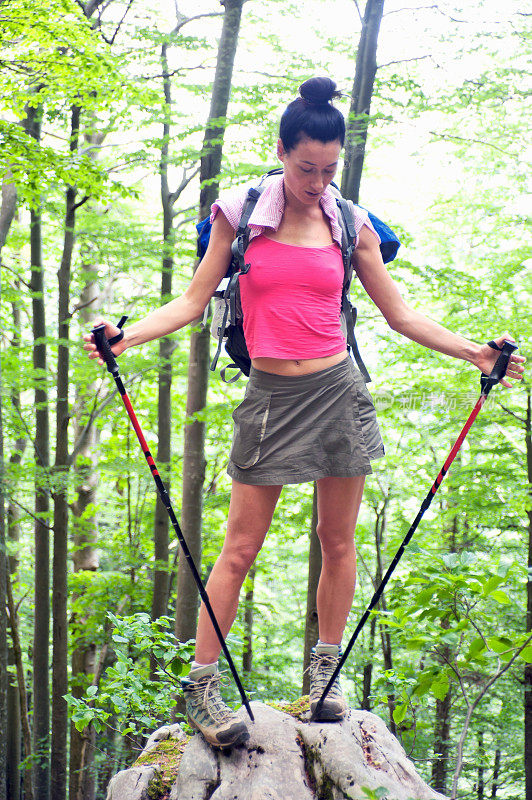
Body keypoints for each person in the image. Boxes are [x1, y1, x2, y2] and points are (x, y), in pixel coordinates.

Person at [84, 76, 525, 749]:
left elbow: (398, 313)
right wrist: (126, 336)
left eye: (328, 168)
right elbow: (193, 302)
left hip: (339, 392)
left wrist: (476, 354)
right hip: (270, 397)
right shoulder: (239, 214)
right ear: (281, 152)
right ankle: (202, 685)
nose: (317, 181)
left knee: (338, 541)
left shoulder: (349, 222)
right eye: (305, 167)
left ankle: (325, 677)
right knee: (238, 548)